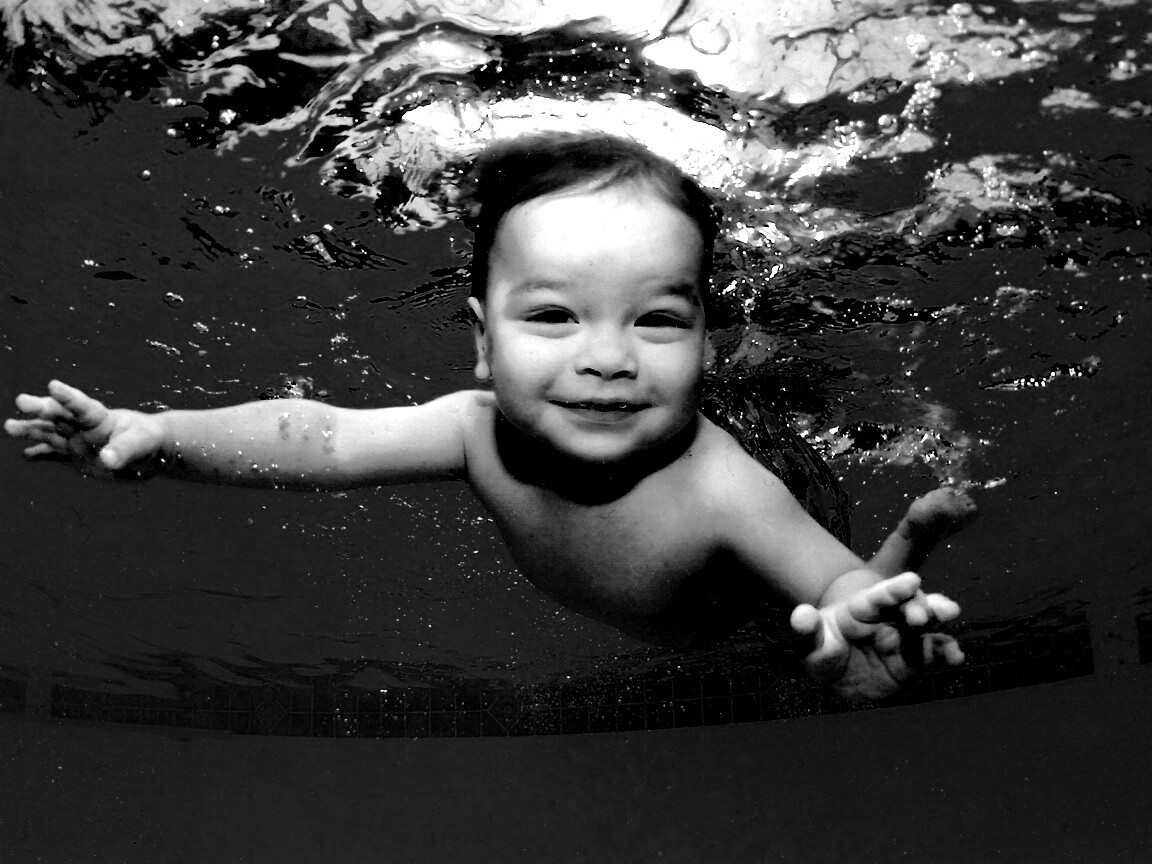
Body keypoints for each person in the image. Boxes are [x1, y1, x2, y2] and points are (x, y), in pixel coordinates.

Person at [4, 133, 976, 702]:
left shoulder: (723, 486)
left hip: (767, 559)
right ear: (481, 340)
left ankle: (839, 334)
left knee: (792, 602)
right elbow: (325, 435)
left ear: (703, 342)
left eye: (658, 319)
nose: (607, 355)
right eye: (553, 315)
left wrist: (862, 608)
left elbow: (830, 579)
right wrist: (163, 435)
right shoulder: (477, 432)